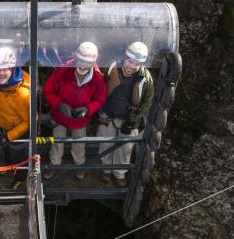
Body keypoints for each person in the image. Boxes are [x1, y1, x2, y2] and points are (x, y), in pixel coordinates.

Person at [42, 41, 107, 180]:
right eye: (81, 61)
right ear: (76, 58)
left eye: (88, 63)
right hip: (60, 116)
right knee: (57, 141)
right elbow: (48, 90)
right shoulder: (63, 70)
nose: (83, 66)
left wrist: (87, 109)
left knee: (79, 142)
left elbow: (101, 99)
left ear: (94, 62)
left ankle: (79, 166)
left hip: (80, 119)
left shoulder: (97, 78)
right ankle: (54, 165)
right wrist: (59, 104)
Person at [97, 42, 155, 187]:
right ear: (125, 57)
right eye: (129, 61)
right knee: (105, 143)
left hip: (130, 119)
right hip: (108, 115)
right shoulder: (112, 68)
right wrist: (100, 109)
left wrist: (137, 116)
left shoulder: (145, 79)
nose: (131, 66)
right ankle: (106, 170)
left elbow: (147, 100)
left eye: (136, 63)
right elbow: (101, 88)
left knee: (125, 148)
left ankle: (119, 173)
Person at [0, 47, 31, 189]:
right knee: (7, 151)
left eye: (5, 69)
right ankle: (8, 168)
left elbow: (31, 120)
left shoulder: (22, 94)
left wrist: (9, 136)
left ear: (13, 69)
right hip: (4, 126)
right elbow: (0, 98)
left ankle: (19, 178)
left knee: (18, 157)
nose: (0, 73)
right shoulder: (2, 82)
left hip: (17, 133)